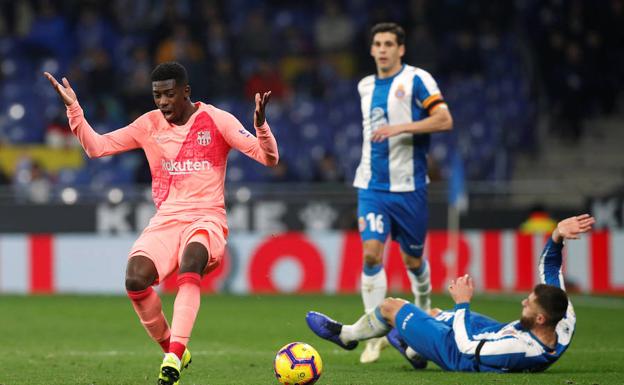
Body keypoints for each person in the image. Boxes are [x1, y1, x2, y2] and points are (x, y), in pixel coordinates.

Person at [44, 62, 279, 385]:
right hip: (166, 220)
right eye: (157, 96)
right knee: (135, 279)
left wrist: (261, 126)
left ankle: (173, 356)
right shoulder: (148, 125)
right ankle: (173, 348)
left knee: (191, 260)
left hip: (206, 218)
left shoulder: (217, 120)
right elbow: (97, 148)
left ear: (186, 92)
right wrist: (75, 110)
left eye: (169, 94)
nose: (163, 102)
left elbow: (268, 158)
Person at [307, 214, 595, 373]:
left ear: (541, 319)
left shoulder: (521, 349)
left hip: (460, 355)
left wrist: (463, 305)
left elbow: (467, 346)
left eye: (529, 304)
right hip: (494, 334)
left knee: (392, 307)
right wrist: (557, 234)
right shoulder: (563, 318)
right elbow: (551, 267)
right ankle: (414, 352)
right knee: (431, 314)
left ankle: (345, 336)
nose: (523, 301)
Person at [352, 22, 453, 363]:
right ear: (371, 49)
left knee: (412, 260)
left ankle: (421, 312)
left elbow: (444, 119)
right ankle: (373, 334)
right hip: (371, 185)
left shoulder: (418, 80)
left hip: (409, 188)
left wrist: (402, 127)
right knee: (370, 255)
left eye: (388, 44)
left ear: (401, 49)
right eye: (377, 43)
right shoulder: (365, 85)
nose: (382, 49)